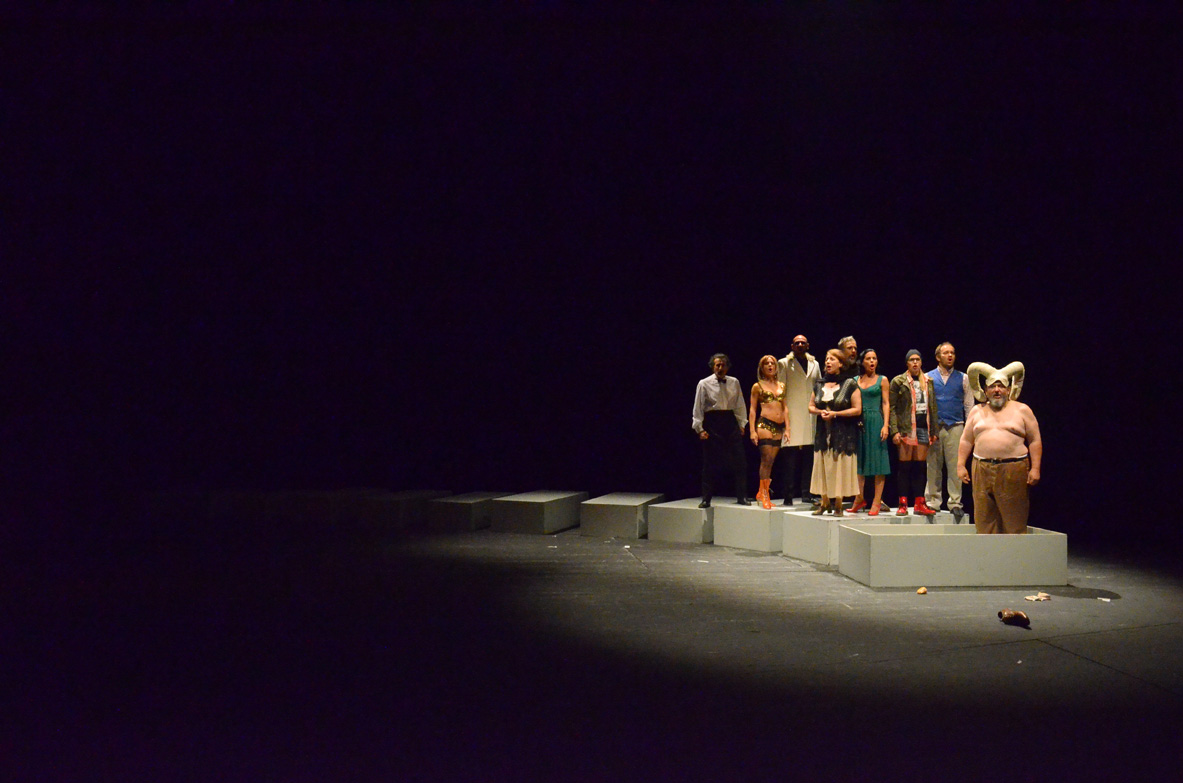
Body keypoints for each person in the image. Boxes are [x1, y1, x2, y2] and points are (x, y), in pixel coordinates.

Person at [957, 361, 1041, 534]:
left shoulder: (1022, 410)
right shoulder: (976, 411)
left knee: (1014, 520)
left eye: (1001, 386)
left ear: (1008, 390)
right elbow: (966, 440)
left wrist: (1035, 468)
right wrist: (960, 465)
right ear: (985, 391)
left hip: (1013, 468)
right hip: (981, 468)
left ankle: (1014, 552)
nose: (997, 390)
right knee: (984, 520)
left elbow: (1034, 440)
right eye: (992, 386)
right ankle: (988, 552)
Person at [924, 342, 974, 523]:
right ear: (938, 357)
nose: (950, 356)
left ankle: (955, 502)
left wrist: (970, 429)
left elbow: (969, 404)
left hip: (956, 425)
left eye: (952, 352)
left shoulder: (963, 378)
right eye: (946, 353)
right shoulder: (927, 377)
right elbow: (924, 404)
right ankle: (933, 501)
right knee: (933, 465)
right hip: (935, 427)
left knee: (955, 466)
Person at [808, 349, 862, 516]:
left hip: (843, 434)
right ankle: (825, 502)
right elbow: (810, 406)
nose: (828, 362)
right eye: (826, 359)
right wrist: (820, 412)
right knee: (822, 466)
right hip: (823, 433)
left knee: (839, 467)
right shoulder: (819, 384)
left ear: (841, 363)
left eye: (832, 359)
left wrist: (835, 414)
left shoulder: (849, 384)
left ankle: (838, 504)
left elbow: (857, 409)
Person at [692, 353, 750, 508]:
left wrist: (742, 424)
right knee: (710, 463)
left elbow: (739, 404)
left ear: (727, 367)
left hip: (730, 421)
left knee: (740, 462)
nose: (720, 368)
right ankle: (706, 498)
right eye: (717, 365)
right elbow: (698, 407)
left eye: (723, 365)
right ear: (713, 367)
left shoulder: (734, 382)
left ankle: (742, 496)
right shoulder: (704, 383)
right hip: (713, 422)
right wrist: (699, 429)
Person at [889, 349, 939, 517]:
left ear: (921, 362)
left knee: (920, 467)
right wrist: (894, 430)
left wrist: (934, 430)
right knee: (904, 466)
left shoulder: (928, 381)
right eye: (912, 360)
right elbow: (892, 407)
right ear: (907, 363)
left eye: (918, 359)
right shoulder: (899, 381)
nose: (915, 363)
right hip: (906, 427)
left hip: (923, 426)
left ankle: (919, 503)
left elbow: (933, 406)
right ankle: (903, 503)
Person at [777, 335, 821, 507]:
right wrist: (783, 415)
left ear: (808, 345)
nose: (800, 345)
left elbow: (818, 386)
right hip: (792, 414)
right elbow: (781, 390)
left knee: (809, 457)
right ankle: (788, 495)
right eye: (797, 343)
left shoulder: (815, 364)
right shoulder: (784, 363)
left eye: (803, 343)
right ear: (792, 346)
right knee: (790, 458)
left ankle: (806, 494)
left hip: (810, 414)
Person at [851, 349, 891, 515]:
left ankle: (876, 501)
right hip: (859, 421)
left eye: (874, 358)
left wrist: (886, 425)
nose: (872, 361)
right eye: (868, 358)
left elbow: (886, 403)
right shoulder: (855, 380)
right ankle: (859, 498)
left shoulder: (883, 380)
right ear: (862, 362)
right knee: (859, 461)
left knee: (878, 462)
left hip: (876, 421)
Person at [749, 355, 788, 510]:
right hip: (765, 424)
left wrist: (788, 428)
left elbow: (785, 408)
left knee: (771, 461)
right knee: (766, 459)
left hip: (779, 426)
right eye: (767, 364)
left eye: (773, 363)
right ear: (762, 367)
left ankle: (762, 491)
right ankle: (764, 494)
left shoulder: (782, 385)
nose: (770, 366)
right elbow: (753, 409)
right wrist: (752, 431)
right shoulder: (757, 386)